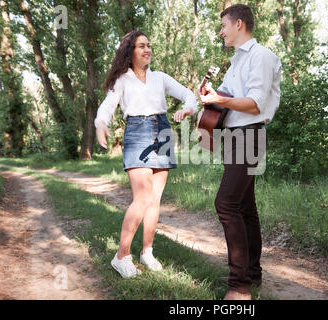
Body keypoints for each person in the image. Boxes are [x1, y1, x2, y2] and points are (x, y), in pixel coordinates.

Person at [95, 30, 197, 278]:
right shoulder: (122, 80)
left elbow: (188, 95)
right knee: (142, 197)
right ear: (130, 52)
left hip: (162, 130)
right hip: (138, 132)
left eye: (149, 45)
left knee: (154, 199)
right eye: (141, 46)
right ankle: (121, 256)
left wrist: (187, 109)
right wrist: (101, 123)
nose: (147, 49)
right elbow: (107, 106)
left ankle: (147, 252)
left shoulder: (160, 77)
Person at [199, 4, 281, 300]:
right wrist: (206, 100)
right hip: (235, 136)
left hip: (250, 135)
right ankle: (252, 275)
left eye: (223, 25)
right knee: (245, 208)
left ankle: (239, 287)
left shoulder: (262, 56)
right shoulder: (235, 62)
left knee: (226, 203)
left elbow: (256, 102)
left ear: (240, 24)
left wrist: (221, 98)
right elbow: (223, 100)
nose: (221, 31)